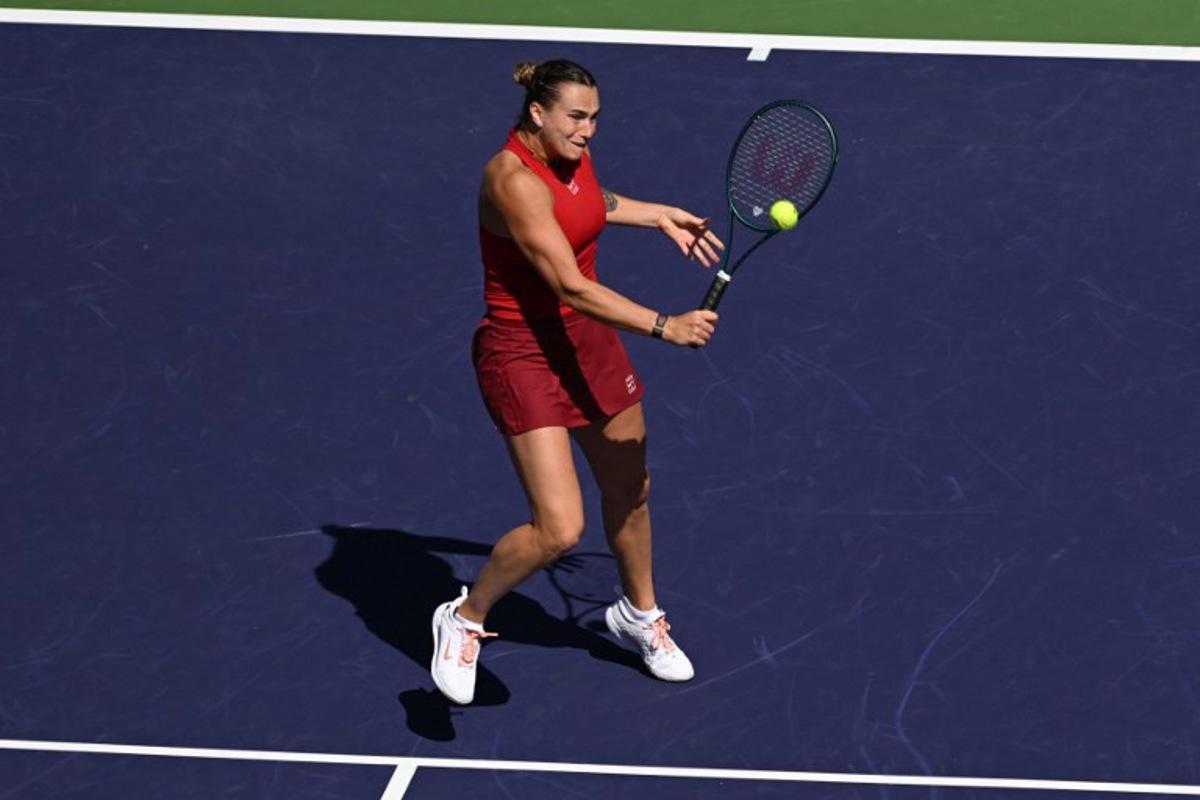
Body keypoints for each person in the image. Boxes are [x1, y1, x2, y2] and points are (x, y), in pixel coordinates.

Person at [430, 59, 723, 705]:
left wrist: (655, 214)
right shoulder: (511, 179)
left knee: (631, 487)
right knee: (560, 529)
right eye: (575, 117)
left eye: (594, 118)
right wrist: (663, 324)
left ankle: (638, 615)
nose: (587, 131)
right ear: (537, 114)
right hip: (524, 353)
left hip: (586, 342)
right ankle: (466, 616)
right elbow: (569, 284)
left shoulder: (569, 156)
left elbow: (593, 201)